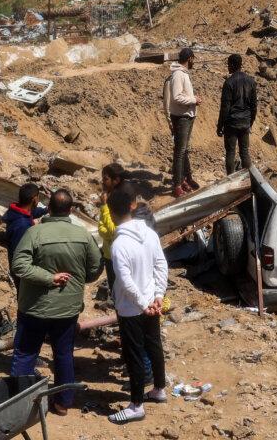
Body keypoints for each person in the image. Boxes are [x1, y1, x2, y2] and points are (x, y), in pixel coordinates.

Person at [11, 189, 104, 416]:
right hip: (67, 308)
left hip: (34, 307)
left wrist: (47, 278)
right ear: (70, 211)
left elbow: (19, 265)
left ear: (49, 208)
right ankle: (63, 402)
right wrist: (73, 279)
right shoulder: (83, 235)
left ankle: (17, 405)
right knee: (63, 354)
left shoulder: (34, 233)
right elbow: (94, 269)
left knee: (25, 353)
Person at [106, 182, 169, 425]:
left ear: (111, 213)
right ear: (133, 205)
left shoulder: (119, 245)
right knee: (154, 345)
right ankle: (159, 389)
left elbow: (125, 282)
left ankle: (135, 405)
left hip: (132, 308)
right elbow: (161, 266)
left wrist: (144, 304)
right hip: (152, 302)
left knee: (133, 354)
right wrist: (158, 297)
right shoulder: (151, 234)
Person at [163, 47, 200, 197]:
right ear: (190, 58)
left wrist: (193, 100)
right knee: (179, 152)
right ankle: (177, 185)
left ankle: (185, 178)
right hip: (181, 117)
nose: (193, 62)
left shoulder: (183, 74)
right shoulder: (178, 74)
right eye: (193, 59)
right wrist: (194, 100)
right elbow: (177, 97)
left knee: (184, 150)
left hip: (187, 116)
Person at [216, 53, 257, 174]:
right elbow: (254, 105)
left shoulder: (229, 83)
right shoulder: (251, 81)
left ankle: (230, 180)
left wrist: (220, 126)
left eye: (229, 65)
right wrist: (250, 122)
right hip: (245, 122)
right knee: (244, 151)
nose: (228, 67)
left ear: (233, 65)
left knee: (230, 152)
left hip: (232, 123)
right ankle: (248, 179)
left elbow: (225, 107)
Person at [4, 182, 47, 276]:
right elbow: (20, 252)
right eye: (38, 197)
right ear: (35, 199)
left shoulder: (17, 211)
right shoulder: (22, 225)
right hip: (22, 271)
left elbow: (33, 212)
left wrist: (46, 210)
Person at [98, 162, 126, 292]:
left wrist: (104, 207)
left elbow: (113, 231)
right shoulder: (107, 196)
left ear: (116, 180)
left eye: (106, 179)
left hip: (119, 255)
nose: (102, 182)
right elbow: (102, 229)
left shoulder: (119, 200)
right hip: (109, 254)